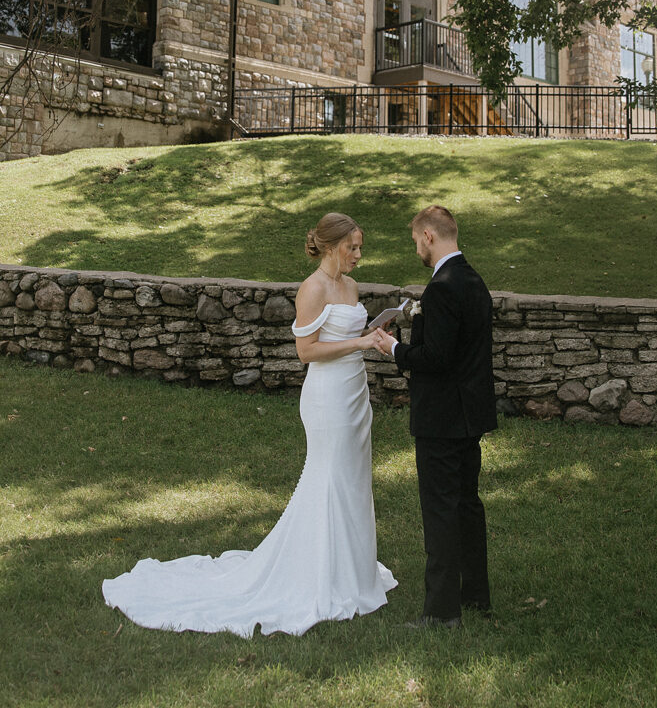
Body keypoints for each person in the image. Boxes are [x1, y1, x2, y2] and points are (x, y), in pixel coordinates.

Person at [102, 212, 396, 637]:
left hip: (355, 394)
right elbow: (307, 352)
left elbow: (346, 338)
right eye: (352, 247)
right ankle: (319, 575)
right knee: (328, 476)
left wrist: (372, 335)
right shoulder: (312, 289)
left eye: (360, 247)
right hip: (328, 397)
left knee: (353, 478)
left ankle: (353, 572)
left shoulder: (350, 287)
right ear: (331, 246)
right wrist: (361, 342)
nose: (358, 255)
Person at [375, 205, 497, 629]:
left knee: (441, 509)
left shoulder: (442, 287)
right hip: (469, 414)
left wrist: (393, 350)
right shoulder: (473, 280)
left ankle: (442, 612)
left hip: (442, 417)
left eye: (415, 242)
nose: (417, 250)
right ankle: (475, 595)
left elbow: (438, 358)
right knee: (466, 504)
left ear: (429, 235)